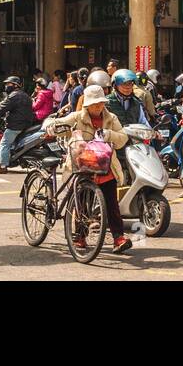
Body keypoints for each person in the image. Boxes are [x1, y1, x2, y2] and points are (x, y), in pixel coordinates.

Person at [44, 83, 132, 254]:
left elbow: (122, 139)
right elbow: (58, 125)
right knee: (82, 203)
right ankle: (80, 238)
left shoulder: (111, 119)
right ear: (87, 104)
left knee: (112, 204)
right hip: (82, 166)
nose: (98, 107)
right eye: (94, 104)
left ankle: (119, 238)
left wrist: (109, 135)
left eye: (101, 104)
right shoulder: (77, 117)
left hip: (105, 166)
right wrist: (50, 126)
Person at [0, 75, 35, 174]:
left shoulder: (14, 96)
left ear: (15, 85)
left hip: (16, 125)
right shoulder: (25, 95)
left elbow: (3, 107)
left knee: (4, 143)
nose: (6, 86)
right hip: (27, 124)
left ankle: (2, 166)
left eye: (8, 84)